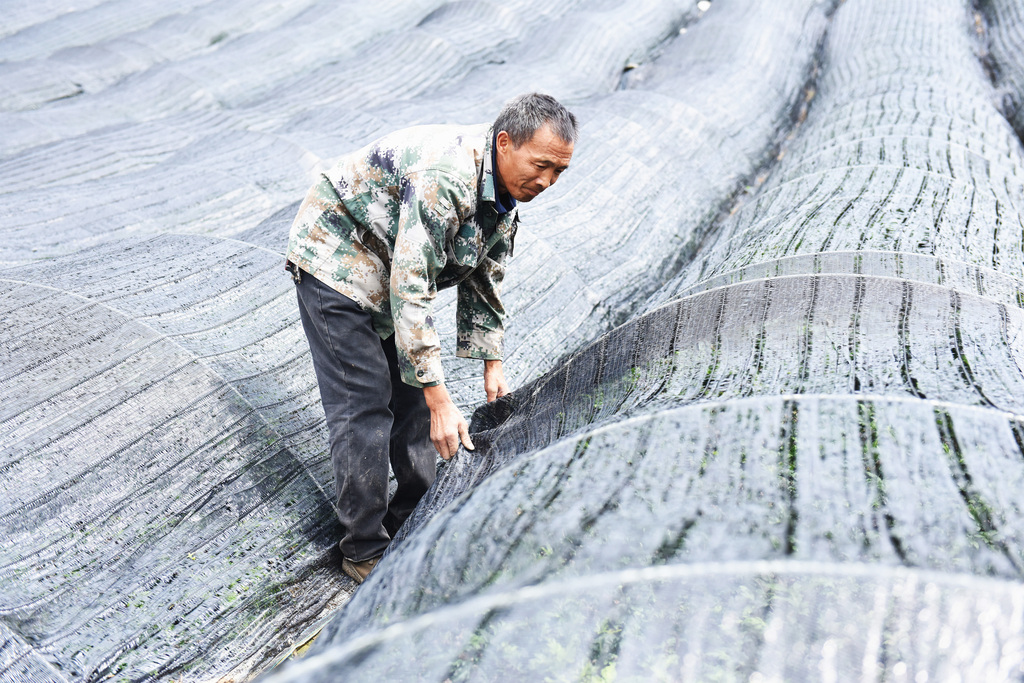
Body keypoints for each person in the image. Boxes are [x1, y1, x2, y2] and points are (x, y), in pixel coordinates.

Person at [285, 93, 577, 584]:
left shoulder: (504, 192)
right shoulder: (447, 179)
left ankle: (412, 520)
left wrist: (491, 363)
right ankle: (363, 548)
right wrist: (439, 395)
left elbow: (485, 274)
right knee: (365, 405)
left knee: (416, 402)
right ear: (505, 143)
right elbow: (411, 288)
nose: (547, 181)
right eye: (541, 165)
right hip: (337, 257)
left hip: (389, 265)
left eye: (559, 172)